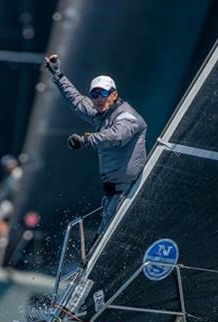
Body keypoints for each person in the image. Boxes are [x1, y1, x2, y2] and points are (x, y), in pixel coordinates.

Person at [44, 54, 147, 236]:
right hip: (112, 196)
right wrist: (58, 75)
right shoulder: (101, 114)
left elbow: (115, 136)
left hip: (128, 196)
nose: (98, 99)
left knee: (105, 245)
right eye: (94, 94)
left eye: (104, 94)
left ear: (114, 95)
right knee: (99, 244)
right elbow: (76, 101)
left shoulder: (127, 117)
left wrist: (85, 140)